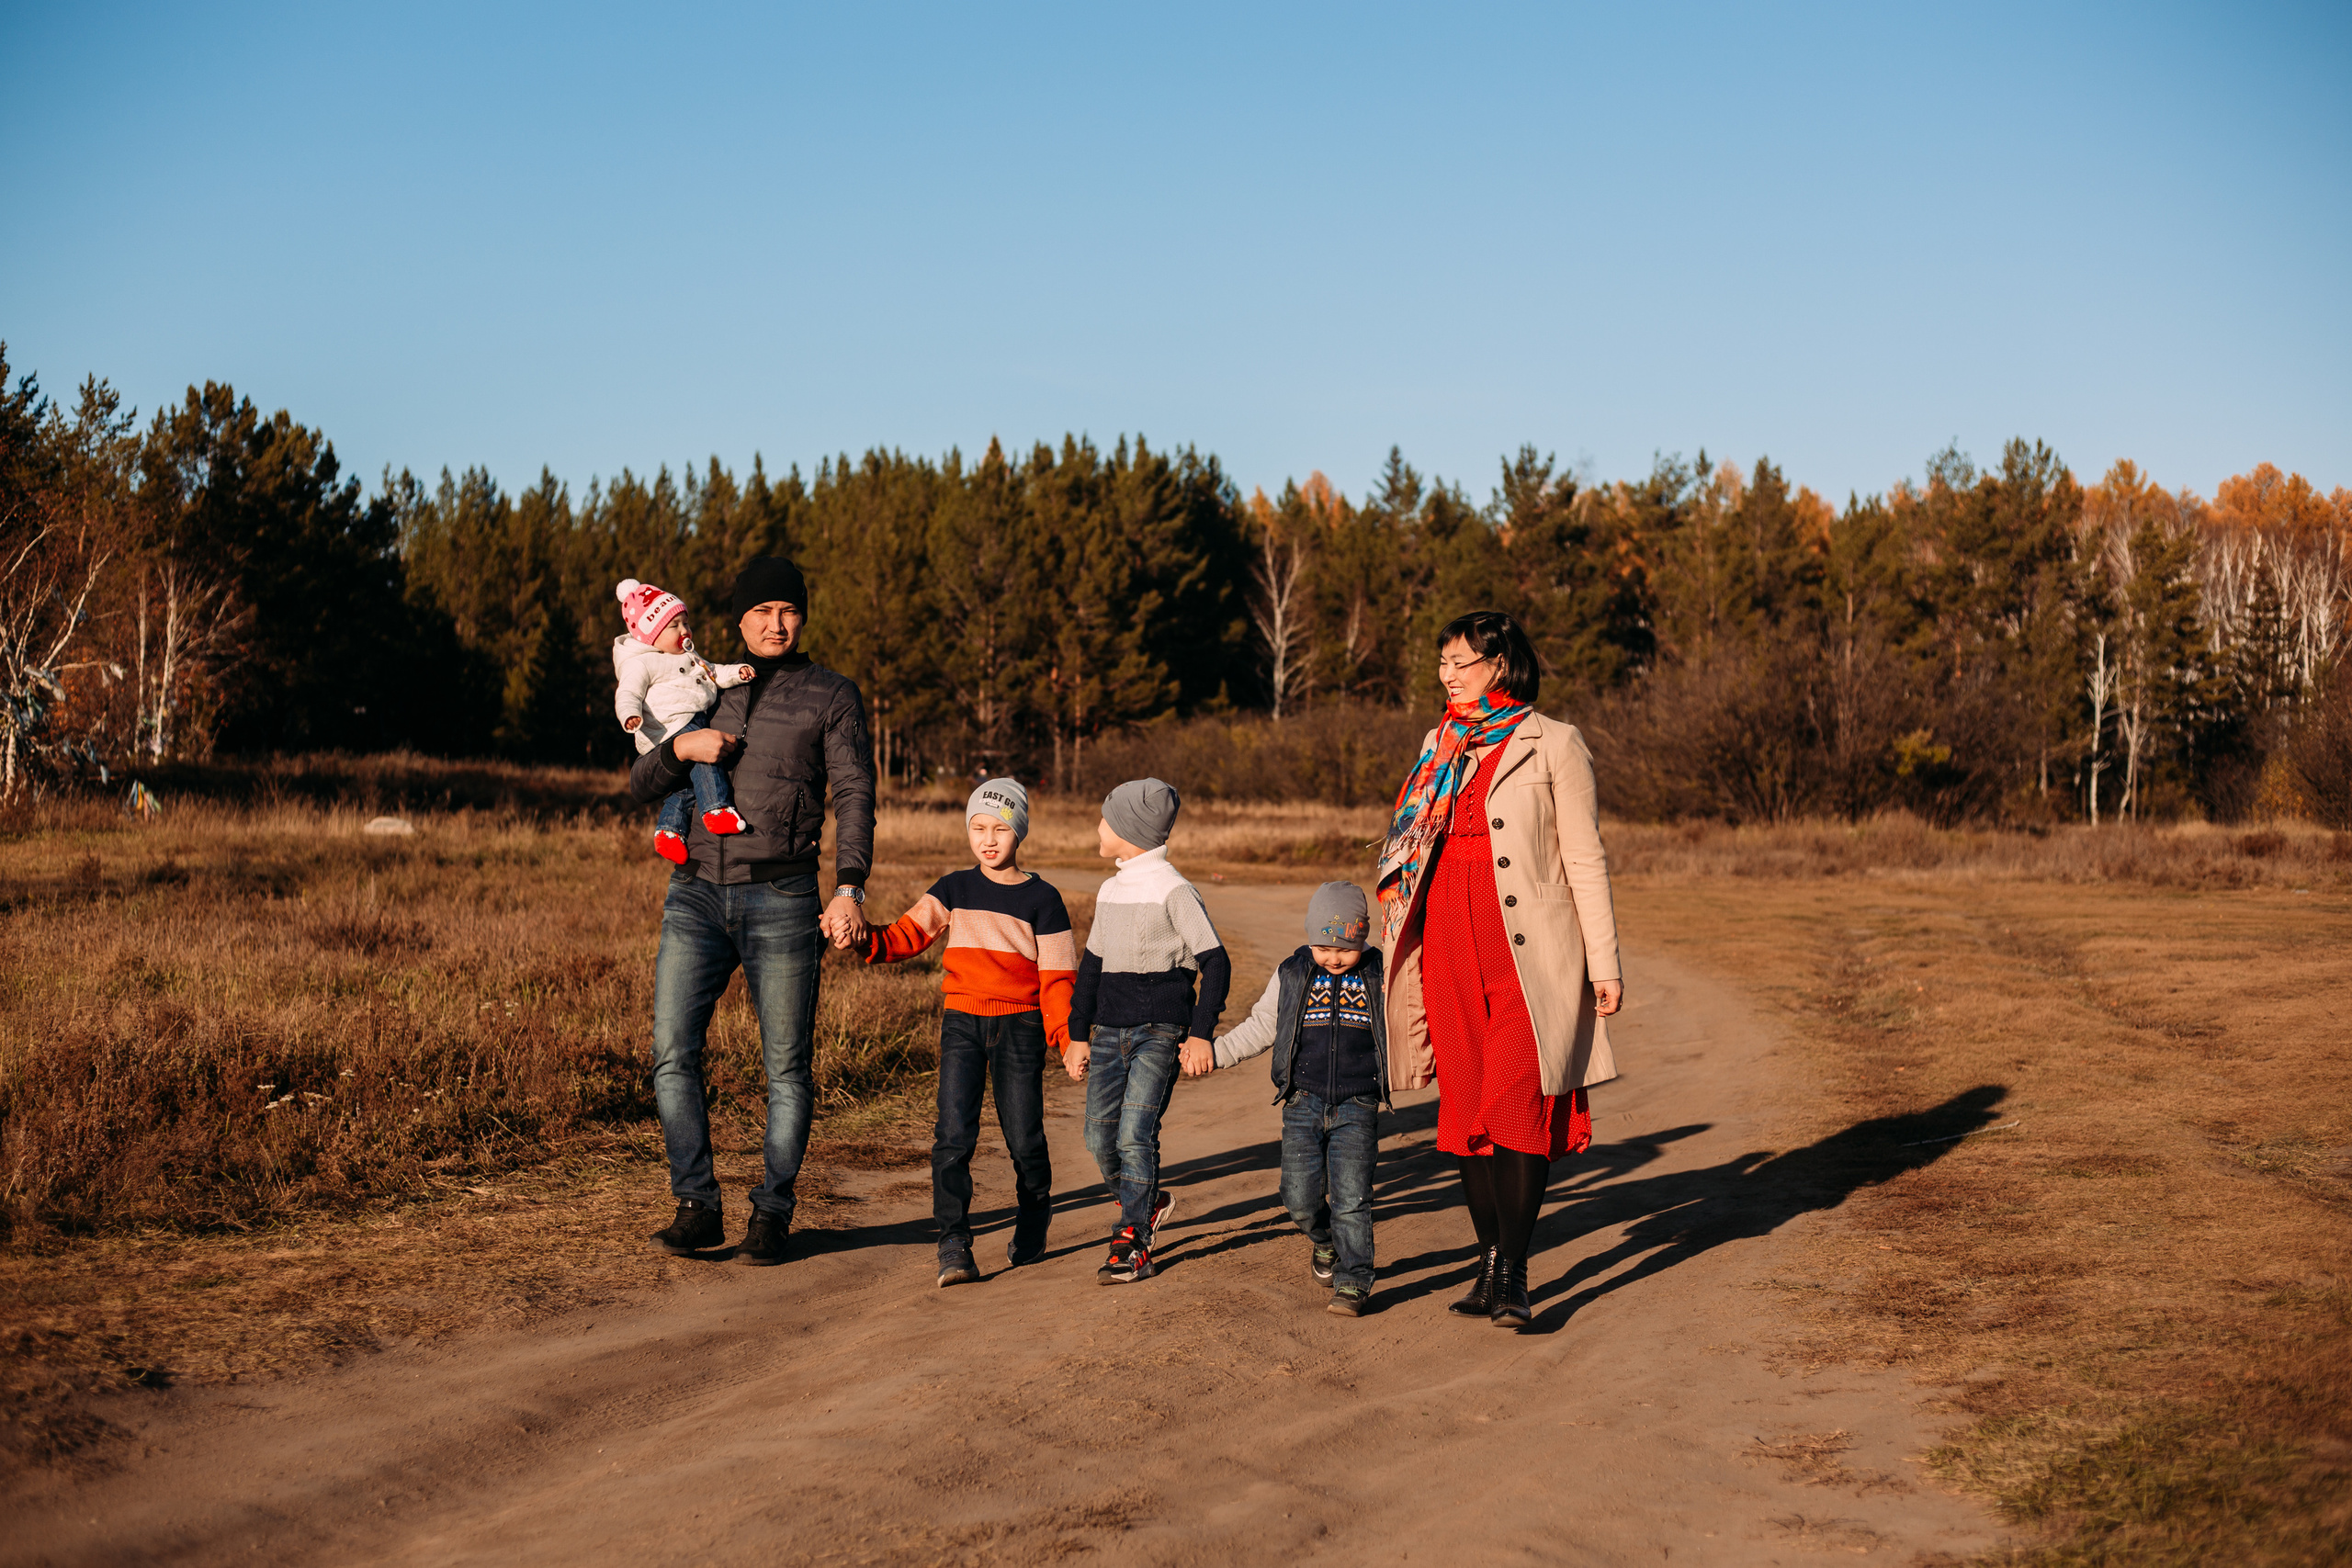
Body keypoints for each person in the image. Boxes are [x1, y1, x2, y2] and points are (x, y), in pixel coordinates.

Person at [1375, 610, 1625, 1329]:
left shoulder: (1555, 743)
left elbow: (1584, 856)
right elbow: (1410, 848)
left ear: (1501, 664)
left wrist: (1603, 962)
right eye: (1443, 662)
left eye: (1462, 661)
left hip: (1529, 947)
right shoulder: (1438, 744)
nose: (1449, 675)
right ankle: (1489, 1263)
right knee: (1465, 1104)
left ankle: (1514, 1272)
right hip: (1448, 932)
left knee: (1518, 1094)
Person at [630, 557, 876, 1266]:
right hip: (695, 894)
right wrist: (682, 743)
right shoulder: (694, 683)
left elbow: (855, 790)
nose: (776, 623)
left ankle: (772, 1211)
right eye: (761, 611)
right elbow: (639, 779)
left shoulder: (832, 694)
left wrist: (849, 884)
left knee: (787, 1069)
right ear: (737, 619)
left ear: (803, 618)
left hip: (785, 895)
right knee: (672, 1054)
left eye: (788, 611)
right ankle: (697, 1205)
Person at [853, 778, 1077, 1287]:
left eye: (1000, 828)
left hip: (1020, 1027)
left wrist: (1065, 1038)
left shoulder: (1045, 899)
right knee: (953, 1135)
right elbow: (907, 935)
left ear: (1020, 832)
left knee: (1024, 1138)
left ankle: (1034, 1215)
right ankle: (954, 1243)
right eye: (978, 828)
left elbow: (1058, 977)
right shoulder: (953, 887)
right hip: (962, 1022)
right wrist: (863, 938)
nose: (989, 838)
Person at [1192, 881, 1387, 1317]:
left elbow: (1411, 1025)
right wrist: (1217, 1052)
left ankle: (1354, 1280)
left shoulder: (1380, 974)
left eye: (1346, 948)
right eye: (1323, 946)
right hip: (1302, 1102)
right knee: (1297, 1194)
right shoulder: (1294, 973)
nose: (1333, 958)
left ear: (1364, 938)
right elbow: (1263, 1025)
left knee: (1352, 1195)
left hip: (1358, 1104)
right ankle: (1324, 1241)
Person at [1068, 778, 1231, 1285]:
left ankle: (1132, 1238)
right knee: (1099, 1137)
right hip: (1108, 1032)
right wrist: (1077, 1033)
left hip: (1161, 1032)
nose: (1098, 826)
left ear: (1129, 831)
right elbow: (1091, 967)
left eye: (1104, 819)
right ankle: (1147, 1198)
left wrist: (1200, 1032)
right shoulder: (1110, 889)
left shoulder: (1173, 889)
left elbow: (1216, 962)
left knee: (1136, 1134)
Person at [611, 577, 755, 863]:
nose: (684, 630)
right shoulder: (641, 662)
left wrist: (736, 673)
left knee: (687, 785)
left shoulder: (689, 655)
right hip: (668, 726)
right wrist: (630, 715)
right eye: (673, 625)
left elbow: (712, 671)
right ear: (649, 635)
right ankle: (716, 808)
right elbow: (627, 692)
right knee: (705, 757)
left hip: (688, 720)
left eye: (685, 622)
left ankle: (669, 831)